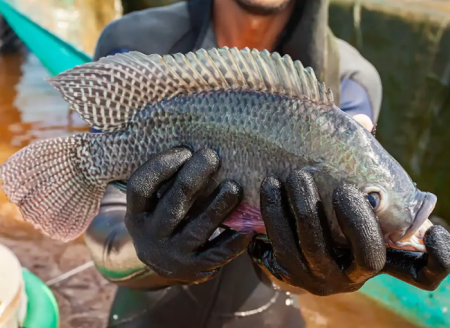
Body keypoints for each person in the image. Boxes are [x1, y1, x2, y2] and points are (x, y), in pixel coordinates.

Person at [84, 0, 450, 327]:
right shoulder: (136, 37)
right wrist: (146, 251)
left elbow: (345, 199)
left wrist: (321, 269)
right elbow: (96, 210)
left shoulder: (352, 79)